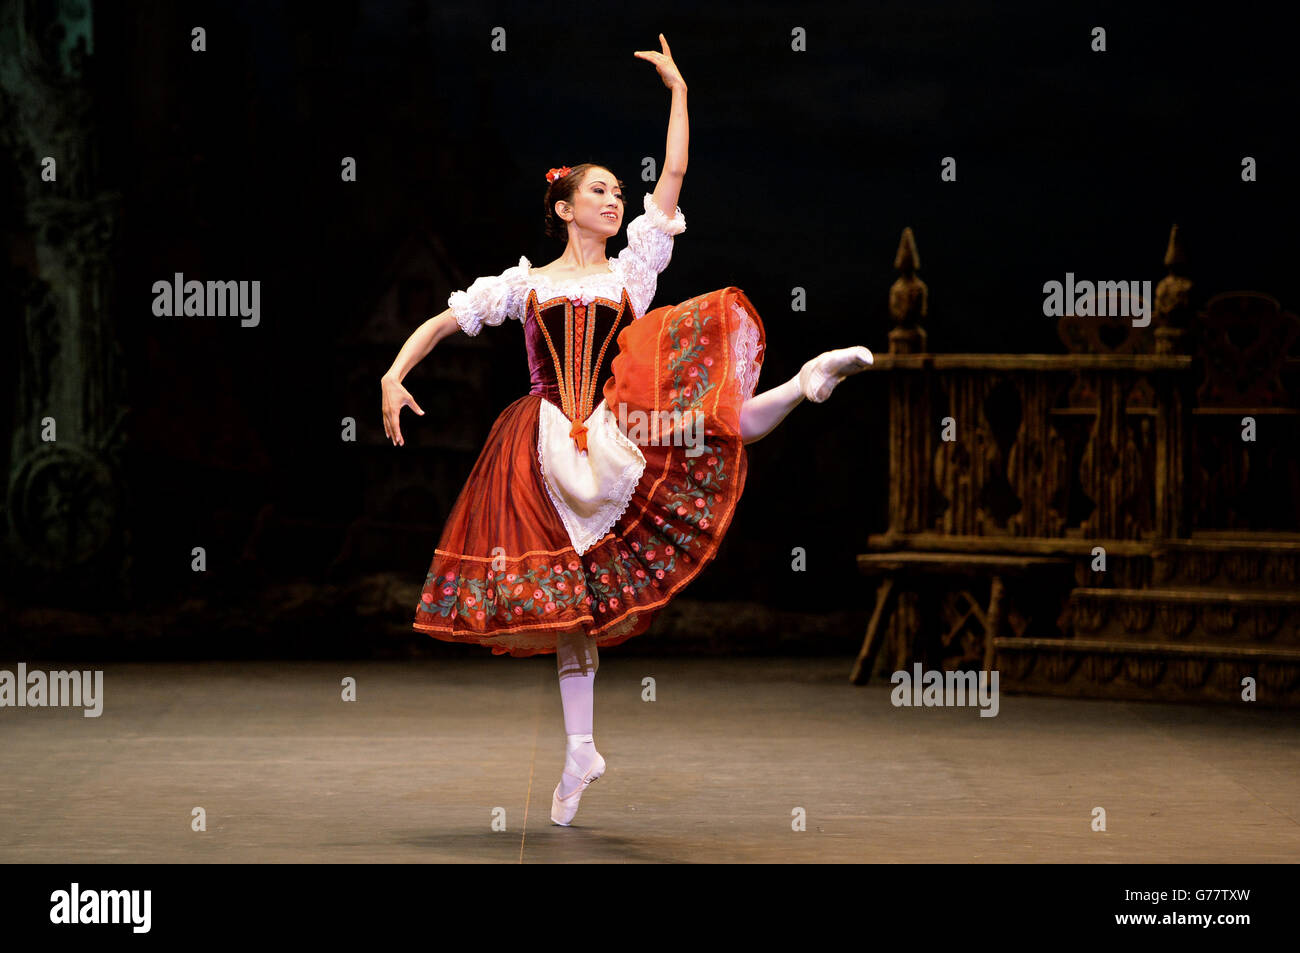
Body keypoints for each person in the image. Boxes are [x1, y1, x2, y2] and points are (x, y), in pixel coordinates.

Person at [381, 34, 872, 826]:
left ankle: (803, 382)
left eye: (618, 193)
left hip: (613, 425)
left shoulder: (630, 271)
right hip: (541, 446)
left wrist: (679, 92)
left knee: (713, 422)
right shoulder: (524, 283)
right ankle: (581, 752)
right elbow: (444, 320)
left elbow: (672, 178)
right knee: (572, 609)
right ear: (565, 208)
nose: (615, 201)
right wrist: (392, 374)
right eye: (600, 192)